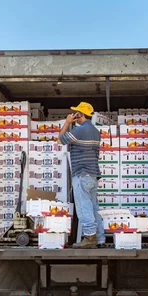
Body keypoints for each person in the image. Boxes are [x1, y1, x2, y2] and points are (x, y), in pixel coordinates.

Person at [58, 101, 104, 249]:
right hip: (93, 175)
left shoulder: (79, 131)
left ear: (81, 114)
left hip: (82, 174)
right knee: (93, 207)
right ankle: (100, 239)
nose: (74, 115)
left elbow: (59, 140)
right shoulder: (96, 131)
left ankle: (90, 237)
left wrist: (67, 122)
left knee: (84, 206)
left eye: (76, 113)